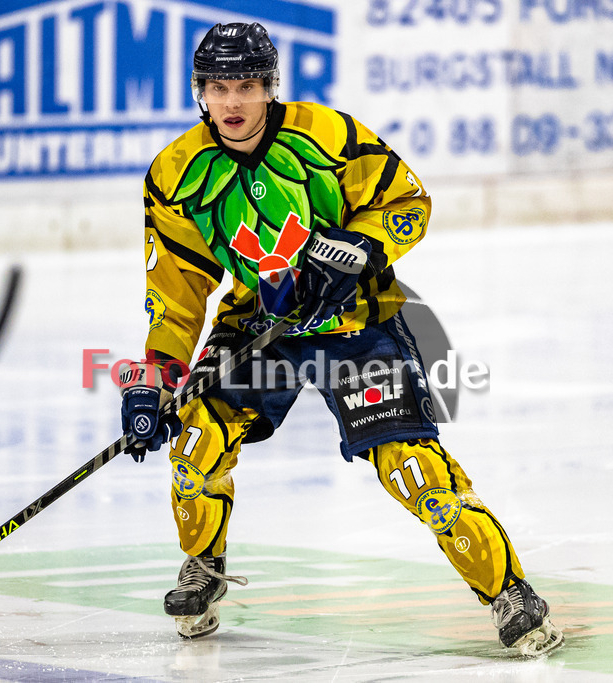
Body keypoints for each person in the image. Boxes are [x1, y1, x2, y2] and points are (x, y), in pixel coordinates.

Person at [119, 22, 564, 657]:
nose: (233, 102)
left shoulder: (327, 136)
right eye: (218, 87)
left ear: (270, 87)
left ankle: (511, 595)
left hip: (357, 323)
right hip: (259, 327)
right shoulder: (174, 174)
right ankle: (203, 568)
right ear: (200, 92)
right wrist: (156, 383)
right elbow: (176, 294)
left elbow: (408, 203)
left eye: (246, 85)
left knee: (415, 473)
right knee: (195, 447)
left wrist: (360, 248)